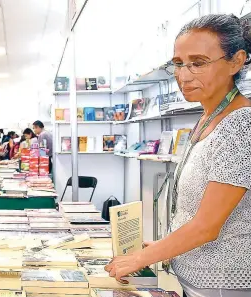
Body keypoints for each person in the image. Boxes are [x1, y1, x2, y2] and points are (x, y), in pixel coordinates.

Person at [105, 14, 251, 297]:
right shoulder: (210, 118)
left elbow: (206, 226)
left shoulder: (240, 125)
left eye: (198, 63)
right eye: (178, 64)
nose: (183, 75)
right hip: (195, 276)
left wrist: (139, 259)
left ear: (236, 61)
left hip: (223, 282)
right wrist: (163, 248)